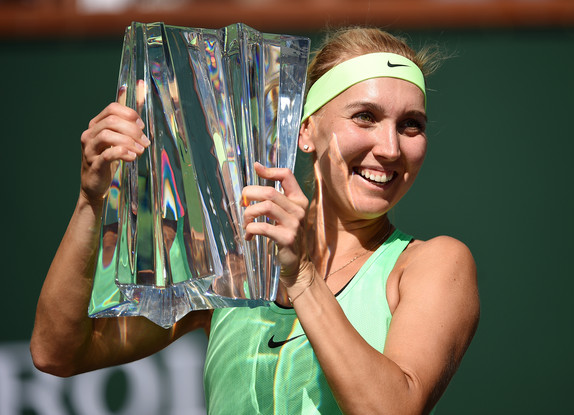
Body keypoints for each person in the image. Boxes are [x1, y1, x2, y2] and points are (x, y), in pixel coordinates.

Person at [31, 27, 479, 414]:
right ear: (305, 130)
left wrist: (302, 277)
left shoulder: (434, 264)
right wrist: (92, 200)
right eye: (365, 117)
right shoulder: (236, 264)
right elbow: (58, 352)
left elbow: (393, 410)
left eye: (411, 125)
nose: (391, 147)